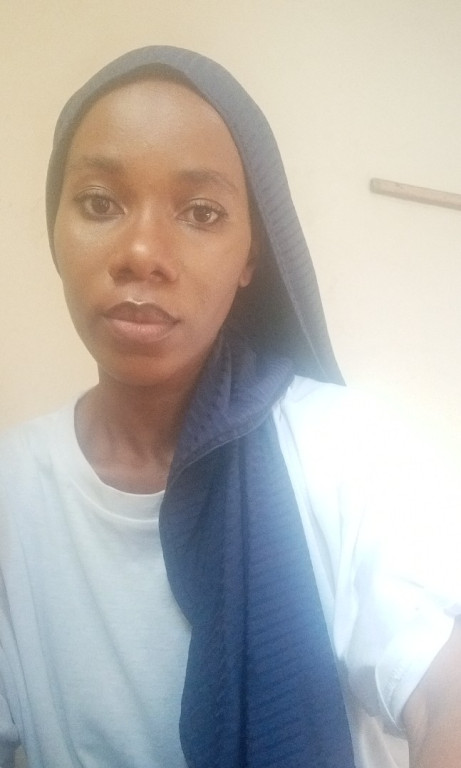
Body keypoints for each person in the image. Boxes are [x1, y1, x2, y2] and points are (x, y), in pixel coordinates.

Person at [1, 45, 461, 768]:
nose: (142, 251)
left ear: (251, 256)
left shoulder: (348, 449)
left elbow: (442, 693)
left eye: (201, 212)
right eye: (99, 203)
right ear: (55, 231)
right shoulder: (12, 491)